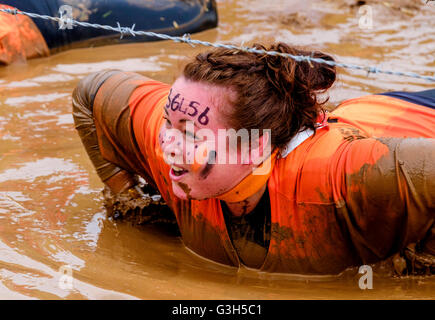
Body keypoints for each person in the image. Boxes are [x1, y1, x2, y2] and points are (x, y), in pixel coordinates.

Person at [72, 43, 435, 275]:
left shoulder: (343, 174)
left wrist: (422, 261)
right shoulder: (169, 136)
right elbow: (90, 92)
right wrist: (131, 202)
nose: (166, 143)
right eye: (169, 122)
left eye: (191, 135)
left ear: (254, 148)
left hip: (415, 116)